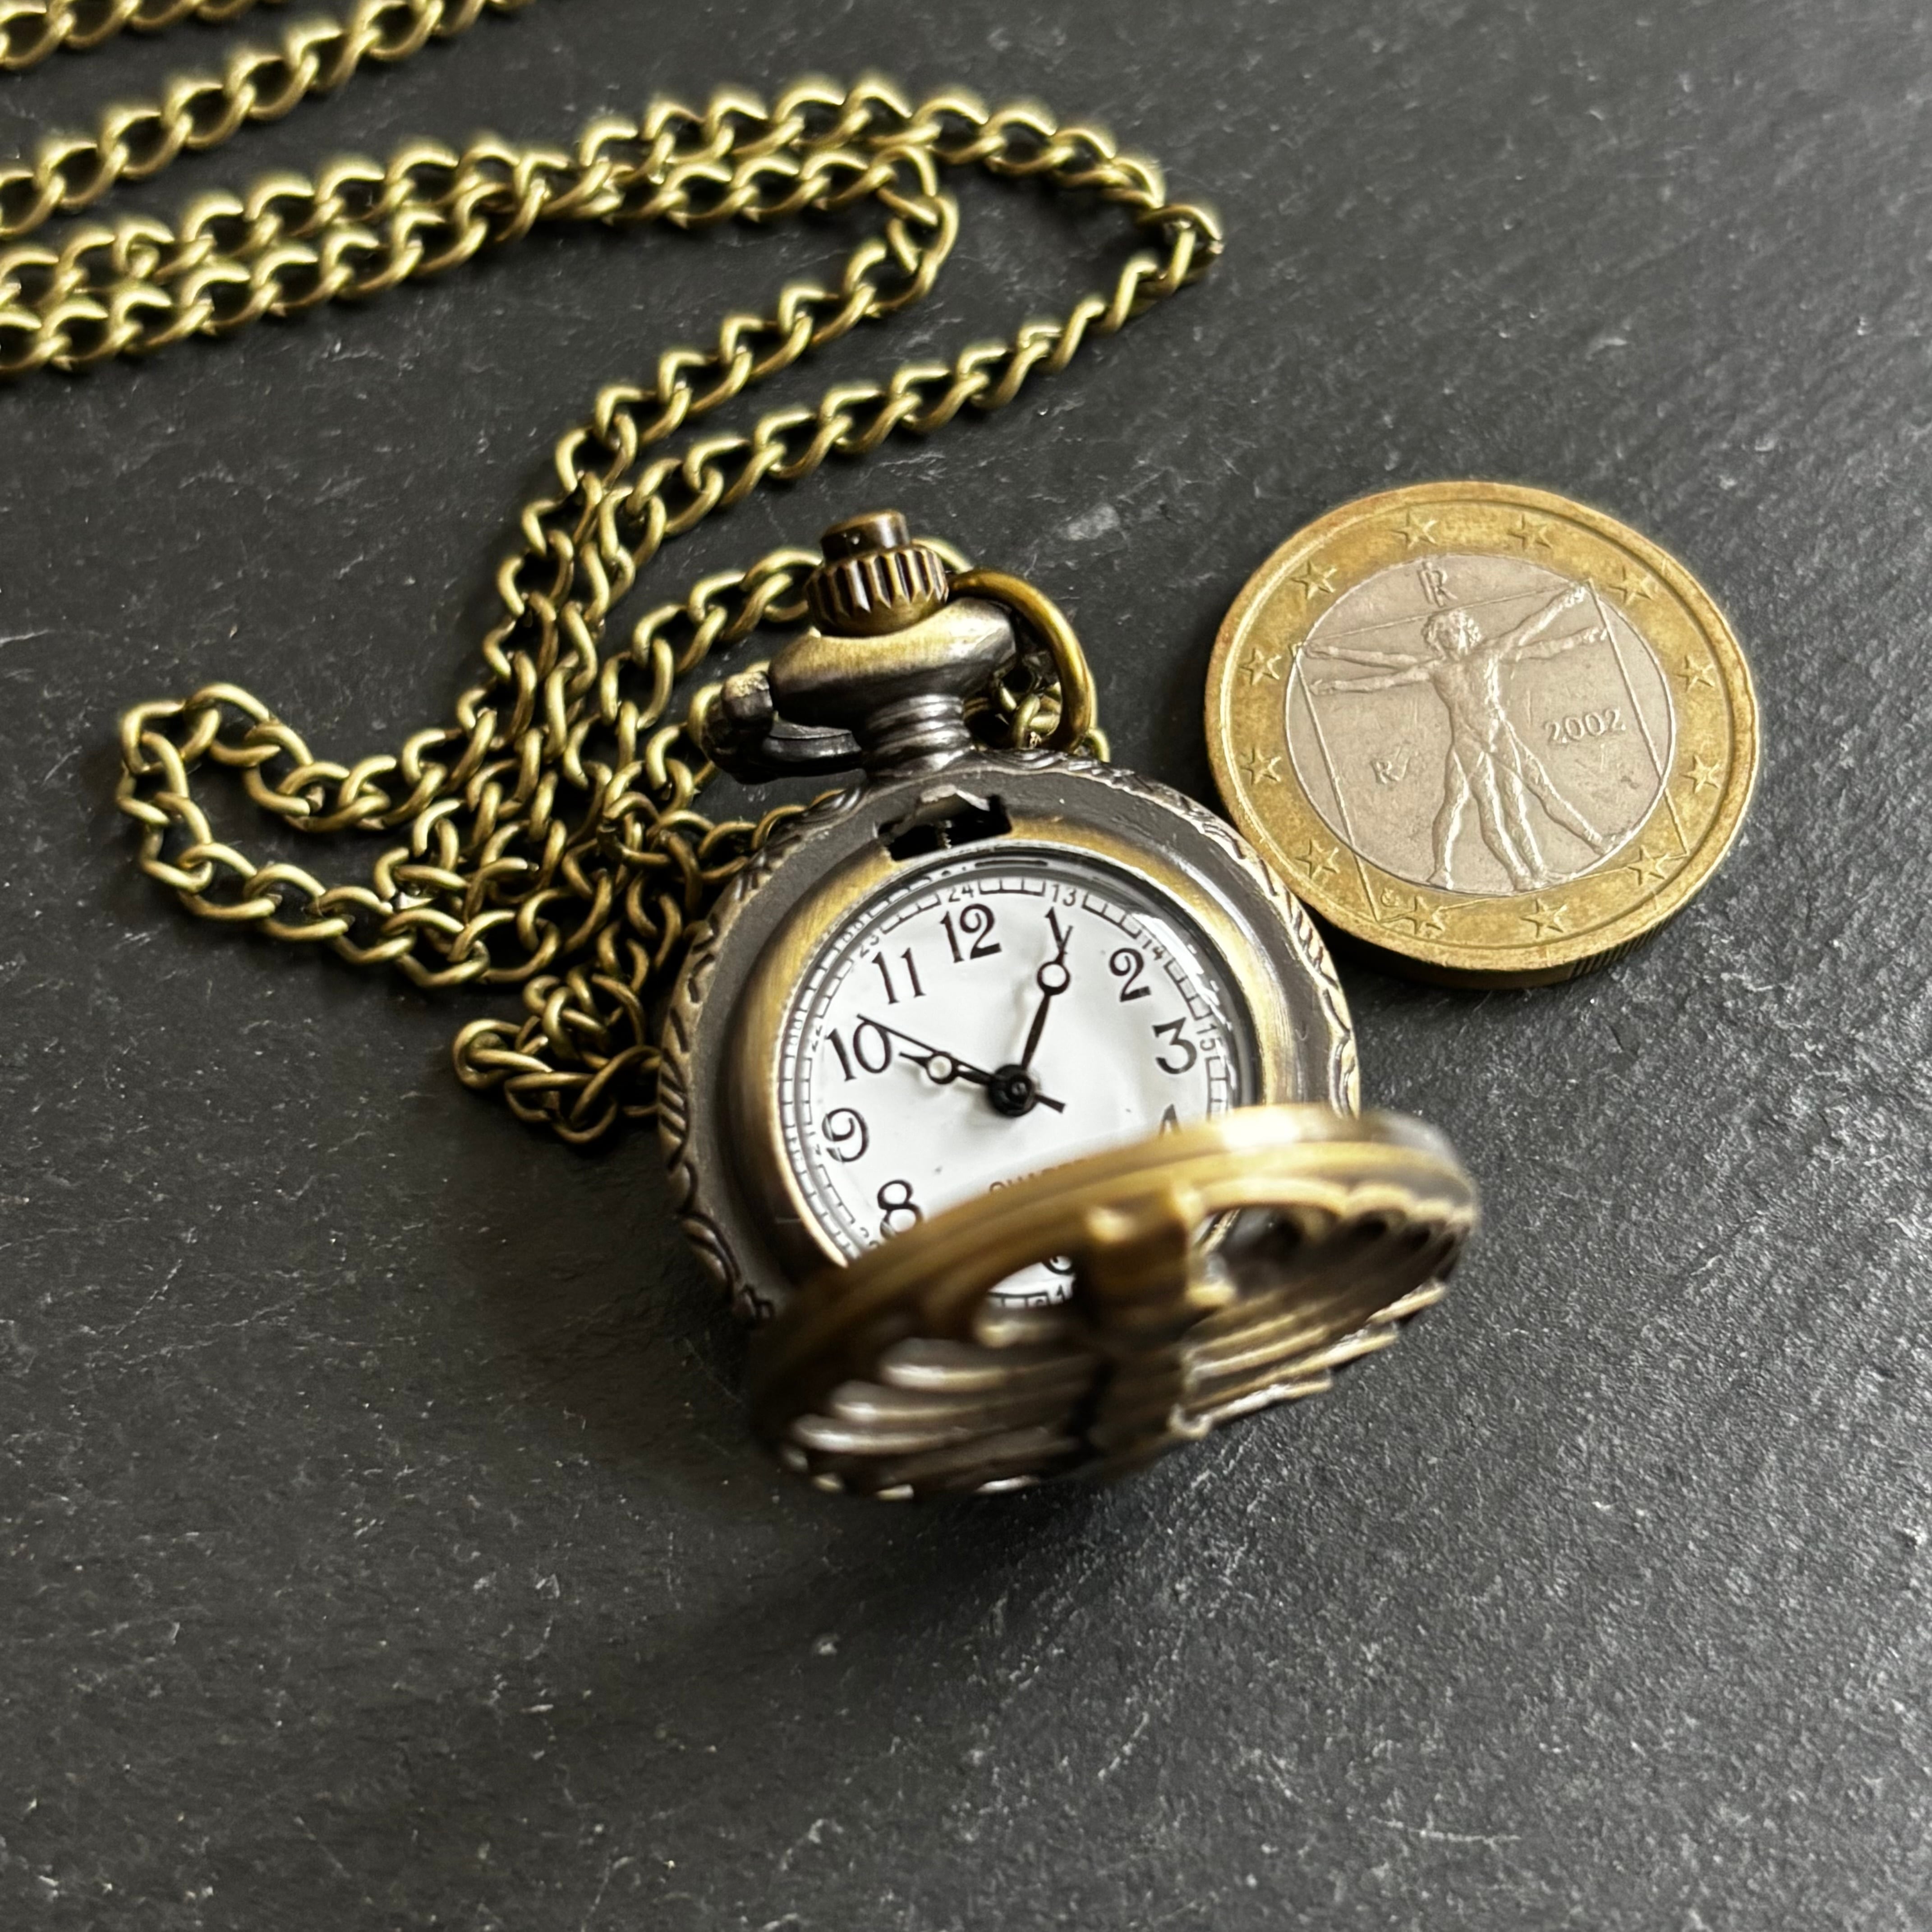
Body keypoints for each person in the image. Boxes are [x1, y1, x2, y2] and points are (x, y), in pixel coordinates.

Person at [1305, 583, 1615, 891]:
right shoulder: (1436, 669)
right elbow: (1386, 673)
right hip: (1469, 743)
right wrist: (1337, 671)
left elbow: (1529, 630)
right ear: (1436, 640)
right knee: (1489, 809)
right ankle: (1520, 876)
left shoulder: (1488, 653)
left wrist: (1564, 603)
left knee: (1535, 795)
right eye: (1443, 634)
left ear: (1467, 630)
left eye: (1454, 631)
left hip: (1499, 734)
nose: (1450, 638)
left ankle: (1588, 847)